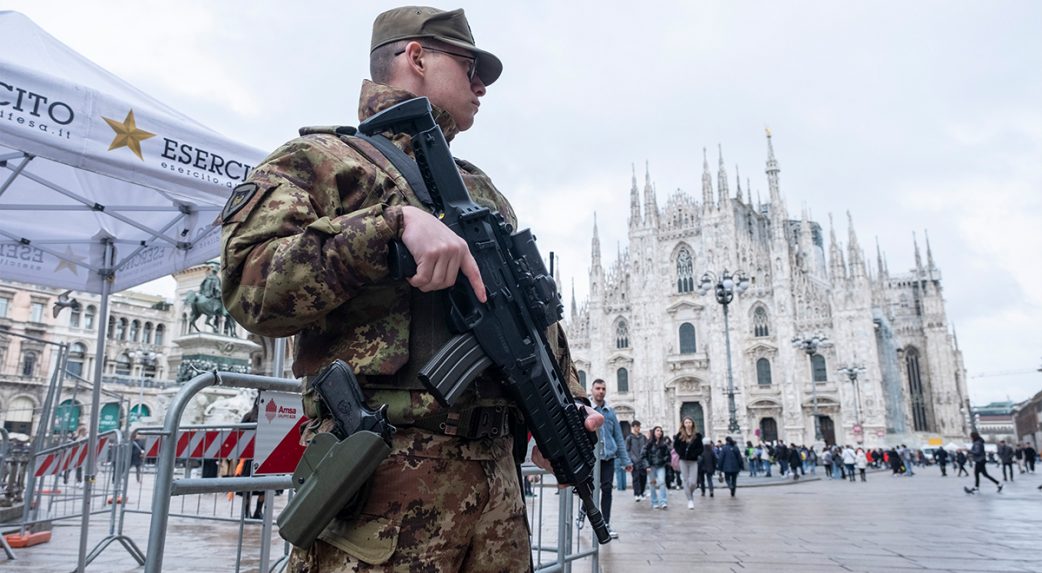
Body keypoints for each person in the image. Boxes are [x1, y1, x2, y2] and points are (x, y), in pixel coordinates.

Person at [220, 7, 603, 570]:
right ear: (416, 57)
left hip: (496, 497)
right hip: (382, 488)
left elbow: (530, 316)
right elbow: (248, 287)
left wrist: (561, 404)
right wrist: (388, 230)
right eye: (471, 66)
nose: (481, 86)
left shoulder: (478, 190)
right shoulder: (323, 161)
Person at [590, 379, 632, 538]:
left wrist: (626, 460)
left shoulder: (610, 412)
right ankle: (583, 510)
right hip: (592, 458)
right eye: (598, 388)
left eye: (603, 389)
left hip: (608, 458)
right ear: (592, 390)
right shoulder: (586, 410)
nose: (601, 391)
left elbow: (619, 437)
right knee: (590, 490)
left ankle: (605, 523)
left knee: (607, 489)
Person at [673, 417, 702, 509]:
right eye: (686, 422)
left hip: (693, 460)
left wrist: (694, 454)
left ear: (692, 424)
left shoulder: (697, 435)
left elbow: (701, 448)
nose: (688, 424)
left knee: (693, 482)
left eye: (689, 422)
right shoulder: (679, 435)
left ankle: (690, 492)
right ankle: (690, 500)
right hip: (683, 460)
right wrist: (681, 453)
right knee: (685, 480)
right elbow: (676, 446)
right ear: (683, 424)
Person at [642, 426, 671, 509]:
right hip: (651, 466)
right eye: (657, 430)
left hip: (660, 466)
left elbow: (667, 455)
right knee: (652, 484)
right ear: (654, 432)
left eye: (661, 431)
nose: (659, 432)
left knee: (662, 482)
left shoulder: (664, 444)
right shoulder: (648, 444)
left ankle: (663, 502)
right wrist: (647, 466)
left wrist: (664, 460)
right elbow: (643, 455)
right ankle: (654, 502)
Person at [626, 421, 649, 502]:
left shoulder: (643, 437)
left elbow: (647, 448)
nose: (638, 428)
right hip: (634, 461)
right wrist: (630, 460)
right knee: (636, 478)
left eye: (639, 426)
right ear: (633, 427)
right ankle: (637, 494)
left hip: (643, 461)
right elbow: (627, 450)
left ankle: (642, 492)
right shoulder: (629, 438)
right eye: (636, 426)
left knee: (643, 478)